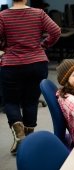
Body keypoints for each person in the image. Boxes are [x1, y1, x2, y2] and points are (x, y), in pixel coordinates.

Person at [0, 0, 61, 154]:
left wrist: (3, 48)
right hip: (37, 63)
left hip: (12, 64)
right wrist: (44, 45)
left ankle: (19, 134)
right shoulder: (38, 13)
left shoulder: (3, 15)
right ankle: (28, 142)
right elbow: (56, 31)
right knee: (31, 101)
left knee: (11, 101)